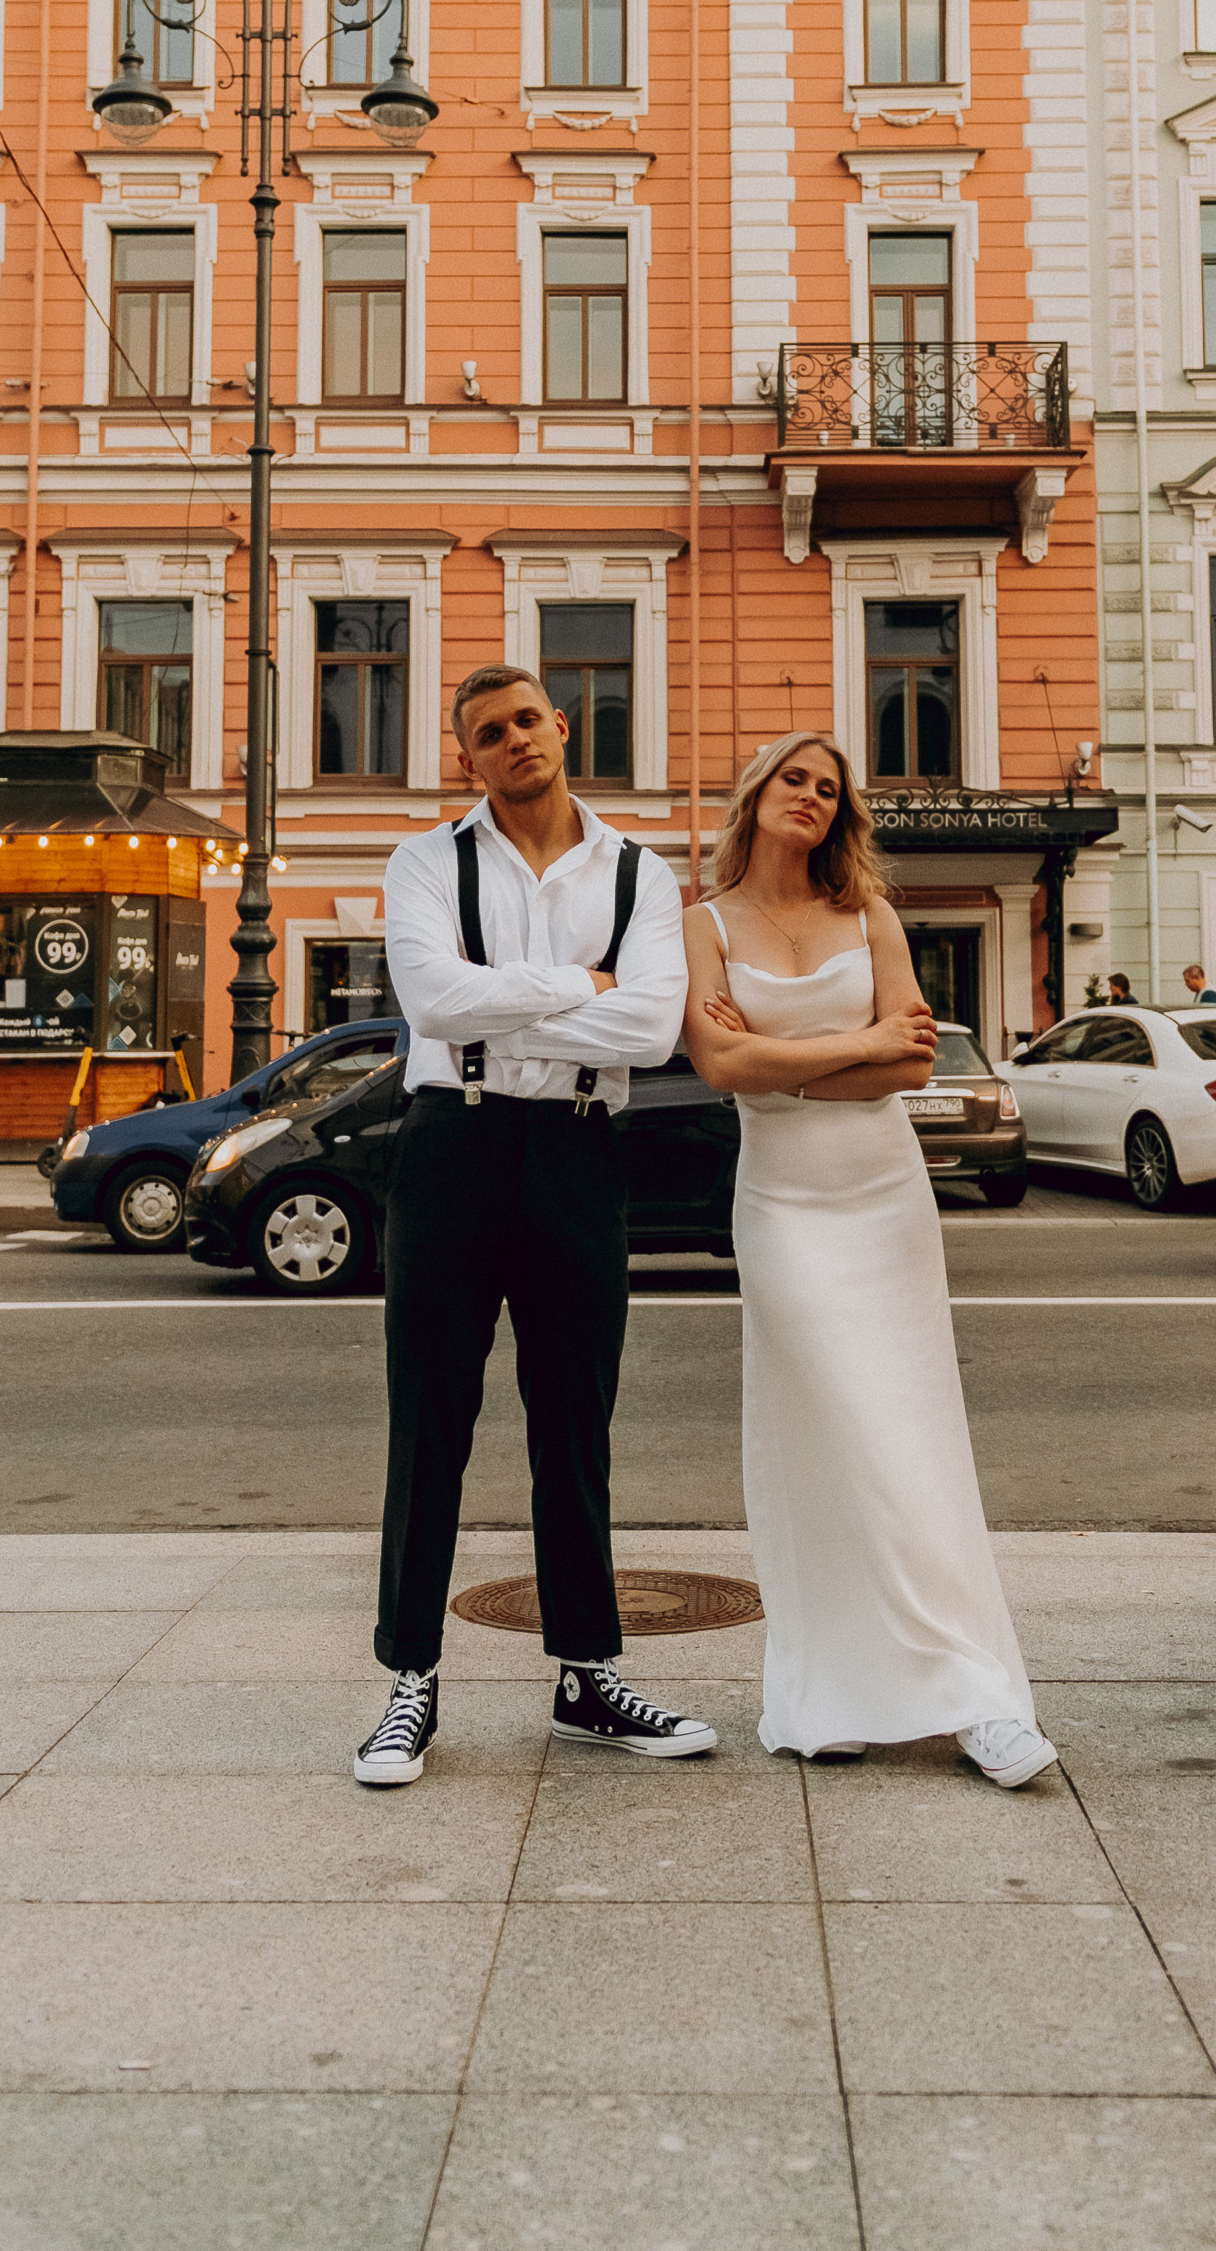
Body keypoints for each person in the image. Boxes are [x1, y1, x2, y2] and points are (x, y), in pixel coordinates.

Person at [355, 662, 715, 1788]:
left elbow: (652, 1028)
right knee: (430, 1422)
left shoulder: (641, 872)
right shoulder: (425, 861)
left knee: (574, 1423)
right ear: (467, 757)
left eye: (528, 720)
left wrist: (518, 996)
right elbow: (430, 1002)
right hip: (450, 1145)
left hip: (573, 1152)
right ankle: (409, 1681)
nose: (515, 741)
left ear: (561, 727)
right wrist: (579, 983)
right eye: (488, 732)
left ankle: (586, 1677)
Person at [681, 731, 1058, 1790]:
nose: (807, 796)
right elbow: (720, 1065)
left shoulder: (868, 915)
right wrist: (850, 1047)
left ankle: (973, 1695)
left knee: (908, 1433)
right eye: (791, 780)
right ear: (755, 796)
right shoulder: (700, 925)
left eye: (826, 788)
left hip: (882, 1197)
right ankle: (826, 1691)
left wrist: (786, 1063)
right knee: (825, 1432)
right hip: (783, 1206)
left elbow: (905, 1065)